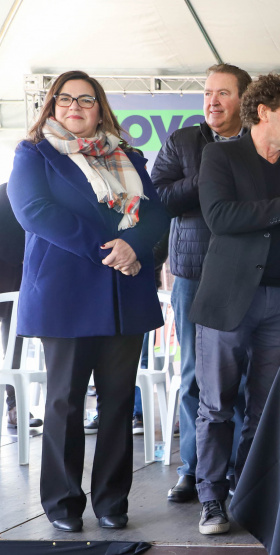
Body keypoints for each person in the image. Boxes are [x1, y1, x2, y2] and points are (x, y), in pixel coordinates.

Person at [8, 70, 170, 532]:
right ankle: (62, 505)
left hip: (125, 292)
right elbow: (33, 211)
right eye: (65, 99)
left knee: (119, 401)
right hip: (66, 296)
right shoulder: (33, 154)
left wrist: (134, 247)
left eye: (86, 99)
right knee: (64, 402)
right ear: (52, 106)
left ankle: (112, 503)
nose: (75, 107)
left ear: (100, 108)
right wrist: (110, 249)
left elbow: (157, 211)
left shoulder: (129, 156)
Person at [190, 73, 280, 535]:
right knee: (216, 405)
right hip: (228, 301)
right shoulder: (220, 155)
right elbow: (219, 217)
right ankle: (210, 498)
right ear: (264, 112)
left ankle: (248, 492)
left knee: (265, 407)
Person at [151, 63, 252, 504]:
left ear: (244, 101)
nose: (212, 101)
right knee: (194, 375)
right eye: (207, 92)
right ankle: (193, 468)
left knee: (242, 376)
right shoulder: (184, 141)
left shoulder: (257, 143)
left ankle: (238, 470)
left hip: (245, 272)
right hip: (192, 273)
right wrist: (211, 174)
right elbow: (161, 199)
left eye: (223, 93)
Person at [0, 181, 41, 429]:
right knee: (13, 339)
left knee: (15, 339)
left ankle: (14, 405)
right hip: (12, 270)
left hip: (19, 273)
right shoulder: (9, 191)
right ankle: (14, 406)